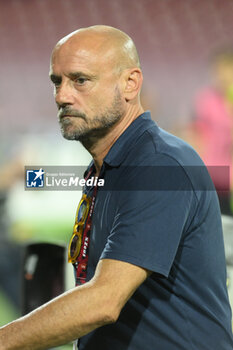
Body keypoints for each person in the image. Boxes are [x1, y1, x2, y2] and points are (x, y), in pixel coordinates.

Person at [0, 25, 233, 350]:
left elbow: (103, 301)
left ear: (130, 83)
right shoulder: (110, 167)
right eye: (57, 81)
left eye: (80, 80)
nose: (62, 96)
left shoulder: (159, 166)